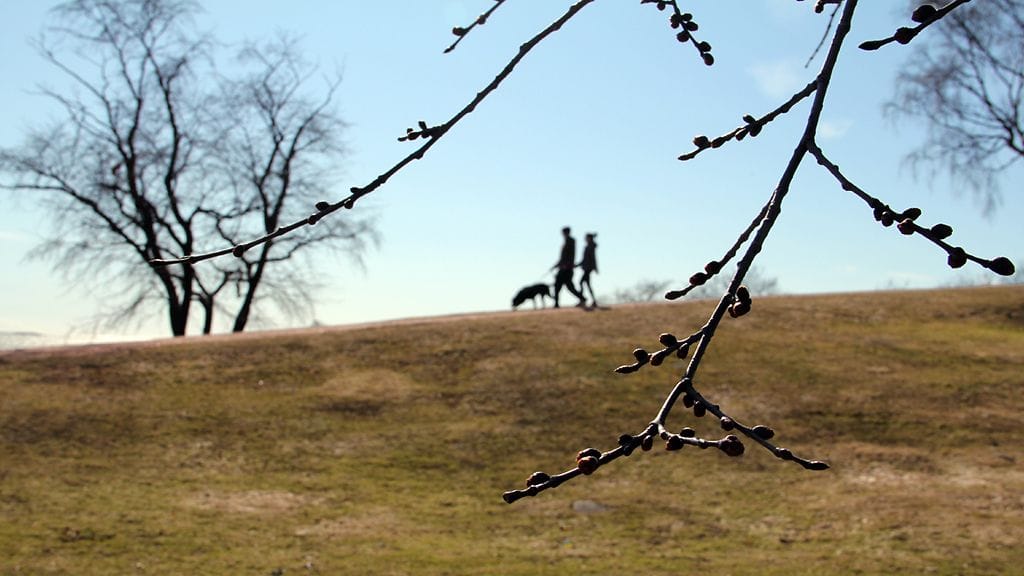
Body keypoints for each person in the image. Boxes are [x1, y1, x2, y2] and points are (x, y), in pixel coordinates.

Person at [552, 226, 586, 308]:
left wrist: (566, 265)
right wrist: (557, 264)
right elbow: (563, 257)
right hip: (564, 268)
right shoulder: (566, 242)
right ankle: (556, 303)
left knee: (566, 286)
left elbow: (570, 255)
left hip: (566, 268)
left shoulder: (571, 241)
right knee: (560, 286)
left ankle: (582, 298)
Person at [578, 232, 598, 308]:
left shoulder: (590, 247)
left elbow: (592, 258)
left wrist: (595, 267)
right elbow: (585, 259)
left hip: (588, 268)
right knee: (587, 285)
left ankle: (582, 300)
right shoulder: (589, 247)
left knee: (581, 282)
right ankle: (592, 301)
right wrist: (578, 265)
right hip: (587, 268)